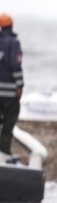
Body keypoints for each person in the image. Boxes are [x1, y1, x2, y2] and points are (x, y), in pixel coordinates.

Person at [0, 13, 23, 162]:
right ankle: (4, 151)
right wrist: (20, 85)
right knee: (9, 122)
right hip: (9, 93)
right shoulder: (13, 43)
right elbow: (15, 65)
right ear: (11, 26)